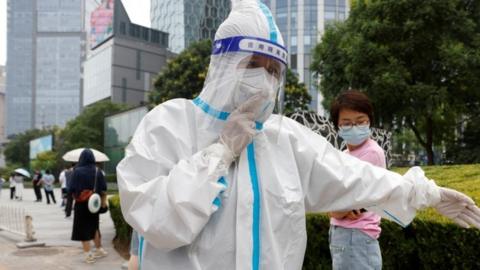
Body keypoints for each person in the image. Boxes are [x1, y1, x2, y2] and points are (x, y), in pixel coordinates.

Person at [116, 1, 480, 269]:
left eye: (273, 69)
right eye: (253, 64)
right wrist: (219, 153)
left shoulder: (284, 138)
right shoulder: (168, 124)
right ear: (221, 62)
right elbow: (156, 221)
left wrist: (425, 192)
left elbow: (355, 175)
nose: (265, 79)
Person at [328, 90, 385, 269]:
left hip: (357, 234)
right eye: (347, 123)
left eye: (360, 122)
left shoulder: (371, 153)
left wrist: (335, 208)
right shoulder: (345, 154)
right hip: (344, 234)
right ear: (337, 126)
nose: (354, 127)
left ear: (369, 121)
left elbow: (350, 203)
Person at [70, 149, 108, 264]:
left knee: (82, 229)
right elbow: (104, 189)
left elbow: (71, 188)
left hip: (81, 204)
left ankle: (88, 255)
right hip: (94, 204)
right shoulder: (98, 171)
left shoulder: (77, 171)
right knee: (94, 226)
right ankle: (99, 249)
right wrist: (103, 202)